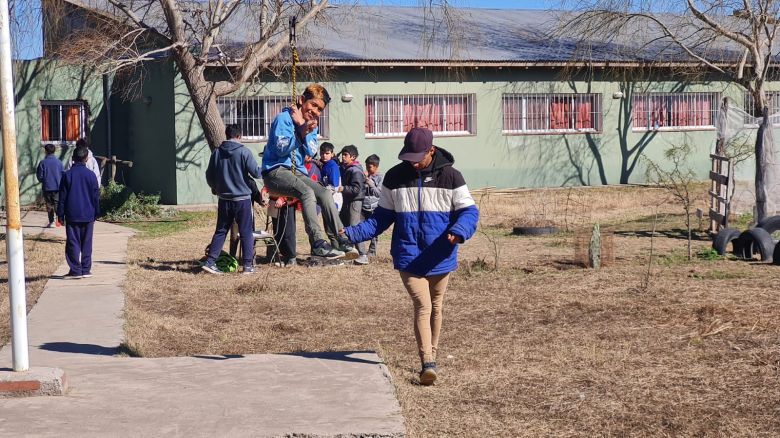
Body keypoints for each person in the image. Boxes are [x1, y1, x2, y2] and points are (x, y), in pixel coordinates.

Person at [342, 127, 479, 386]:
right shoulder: (395, 176)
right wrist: (350, 233)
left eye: (419, 156)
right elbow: (381, 219)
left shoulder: (450, 176)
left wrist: (458, 232)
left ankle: (433, 356)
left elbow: (469, 212)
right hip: (408, 255)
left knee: (437, 306)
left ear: (432, 151)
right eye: (409, 156)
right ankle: (427, 362)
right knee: (423, 305)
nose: (413, 162)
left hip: (441, 253)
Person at [260, 83, 355, 259]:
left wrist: (303, 125)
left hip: (296, 173)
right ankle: (318, 243)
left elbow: (311, 151)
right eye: (313, 105)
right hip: (275, 171)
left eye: (320, 109)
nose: (315, 112)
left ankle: (340, 238)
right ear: (302, 100)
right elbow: (281, 150)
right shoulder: (283, 119)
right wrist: (300, 131)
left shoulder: (310, 125)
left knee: (325, 194)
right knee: (307, 193)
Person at [202, 124, 263, 275]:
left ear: (226, 134)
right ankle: (248, 266)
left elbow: (209, 175)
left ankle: (210, 262)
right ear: (239, 136)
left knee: (221, 230)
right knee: (246, 232)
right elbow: (256, 173)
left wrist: (216, 187)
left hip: (224, 199)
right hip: (242, 199)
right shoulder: (244, 152)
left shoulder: (217, 152)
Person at [57, 145, 101, 279]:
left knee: (73, 242)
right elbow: (95, 197)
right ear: (87, 158)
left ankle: (75, 270)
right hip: (88, 214)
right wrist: (97, 212)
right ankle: (86, 269)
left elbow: (62, 197)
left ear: (73, 158)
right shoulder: (91, 175)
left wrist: (60, 214)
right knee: (87, 242)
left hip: (72, 214)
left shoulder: (67, 175)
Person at [337, 145, 368, 265]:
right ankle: (350, 252)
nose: (343, 157)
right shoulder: (348, 168)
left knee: (354, 227)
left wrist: (343, 188)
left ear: (353, 157)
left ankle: (362, 254)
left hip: (355, 201)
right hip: (348, 201)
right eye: (342, 155)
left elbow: (356, 189)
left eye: (346, 155)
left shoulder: (355, 170)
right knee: (345, 225)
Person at [36, 143, 64, 228]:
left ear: (45, 151)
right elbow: (63, 174)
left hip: (47, 187)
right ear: (54, 151)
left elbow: (39, 176)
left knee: (49, 204)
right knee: (57, 203)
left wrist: (43, 181)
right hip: (57, 186)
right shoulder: (59, 162)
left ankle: (51, 222)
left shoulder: (42, 163)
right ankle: (60, 220)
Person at [361, 154, 383, 256]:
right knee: (359, 227)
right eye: (366, 167)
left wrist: (371, 184)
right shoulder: (365, 176)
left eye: (369, 167)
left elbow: (379, 193)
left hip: (373, 207)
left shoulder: (380, 178)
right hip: (363, 206)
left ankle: (372, 250)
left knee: (374, 230)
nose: (367, 169)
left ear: (375, 166)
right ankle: (360, 249)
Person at [318, 142, 342, 210]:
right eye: (322, 153)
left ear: (332, 154)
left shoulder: (333, 166)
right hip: (326, 198)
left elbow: (334, 186)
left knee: (332, 220)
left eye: (327, 153)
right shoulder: (323, 164)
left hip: (334, 200)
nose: (324, 155)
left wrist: (320, 193)